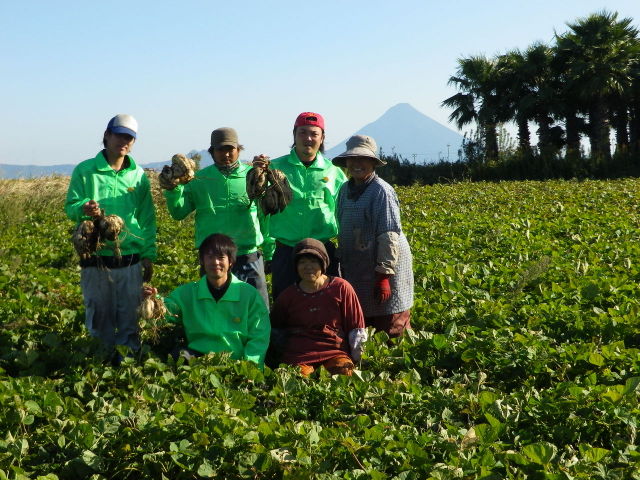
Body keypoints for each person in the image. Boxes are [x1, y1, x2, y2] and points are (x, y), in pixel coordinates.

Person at [65, 114, 156, 353]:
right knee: (99, 317)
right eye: (119, 135)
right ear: (107, 135)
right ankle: (100, 363)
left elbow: (147, 218)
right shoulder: (86, 171)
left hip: (130, 259)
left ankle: (127, 369)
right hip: (95, 259)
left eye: (129, 138)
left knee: (130, 318)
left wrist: (148, 254)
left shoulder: (138, 175)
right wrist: (83, 208)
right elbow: (70, 206)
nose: (124, 141)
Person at [163, 127, 269, 307]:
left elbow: (264, 215)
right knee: (215, 311)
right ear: (212, 152)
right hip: (213, 258)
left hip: (247, 255)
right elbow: (179, 212)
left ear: (238, 150)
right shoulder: (199, 179)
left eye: (230, 149)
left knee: (256, 310)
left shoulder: (252, 176)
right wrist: (173, 189)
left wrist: (270, 247)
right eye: (220, 149)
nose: (226, 154)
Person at [253, 112, 347, 299]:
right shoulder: (274, 169)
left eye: (314, 134)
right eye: (303, 133)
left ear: (322, 138)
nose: (308, 139)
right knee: (285, 305)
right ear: (294, 135)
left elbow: (344, 213)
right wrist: (269, 249)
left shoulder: (334, 172)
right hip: (287, 249)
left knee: (327, 305)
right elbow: (261, 211)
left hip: (323, 250)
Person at [142, 233, 270, 368]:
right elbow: (165, 313)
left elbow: (259, 336)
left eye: (221, 257)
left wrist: (249, 368)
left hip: (234, 362)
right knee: (178, 356)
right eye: (210, 257)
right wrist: (153, 302)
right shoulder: (187, 293)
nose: (215, 262)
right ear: (202, 261)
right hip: (197, 359)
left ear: (231, 261)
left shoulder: (248, 294)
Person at [333, 135, 414, 337]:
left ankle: (395, 364)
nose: (357, 164)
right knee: (363, 318)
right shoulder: (345, 189)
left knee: (390, 321)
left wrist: (384, 275)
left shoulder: (381, 190)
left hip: (384, 264)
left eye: (363, 159)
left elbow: (388, 235)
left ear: (373, 163)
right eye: (352, 159)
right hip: (359, 265)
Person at [269, 238, 367, 376]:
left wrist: (357, 358)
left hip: (334, 350)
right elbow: (276, 328)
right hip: (300, 353)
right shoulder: (288, 295)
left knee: (344, 371)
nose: (308, 266)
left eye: (313, 261)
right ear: (296, 267)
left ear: (323, 264)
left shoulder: (341, 287)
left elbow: (356, 326)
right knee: (298, 378)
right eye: (302, 262)